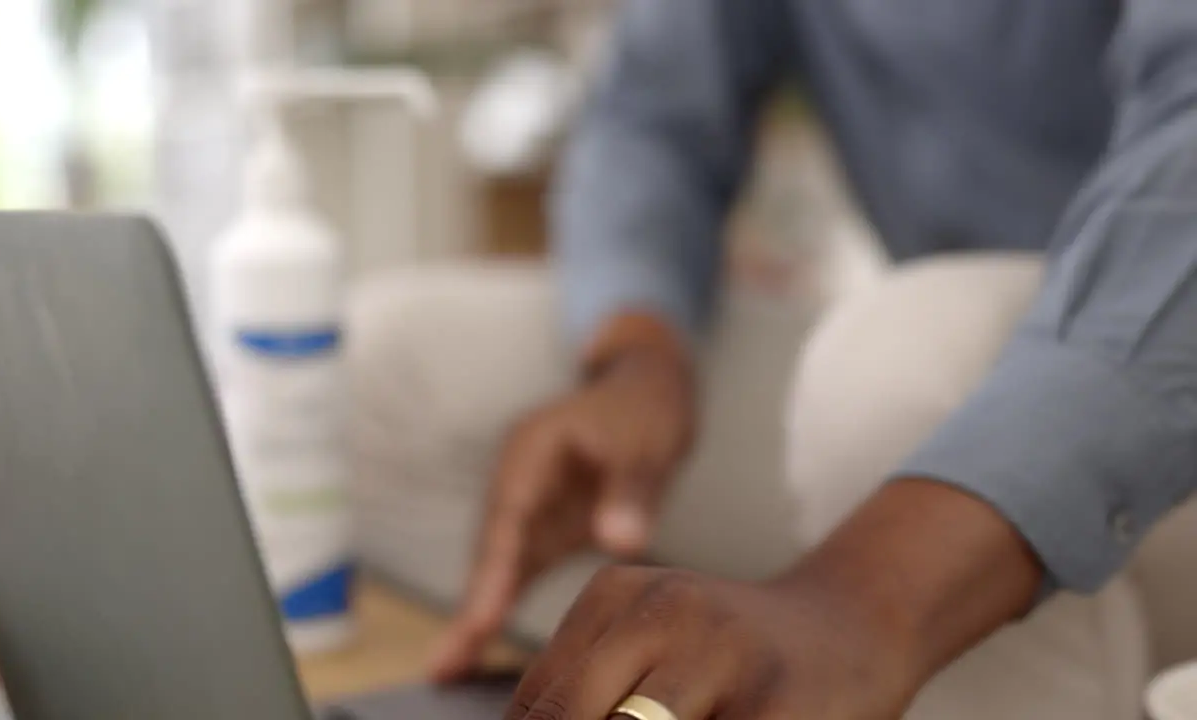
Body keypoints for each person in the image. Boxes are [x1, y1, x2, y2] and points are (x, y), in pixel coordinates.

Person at [428, 1, 1197, 717]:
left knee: (895, 369)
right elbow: (653, 114)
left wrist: (865, 600)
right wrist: (637, 355)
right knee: (413, 357)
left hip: (1154, 411)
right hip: (934, 395)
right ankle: (639, 682)